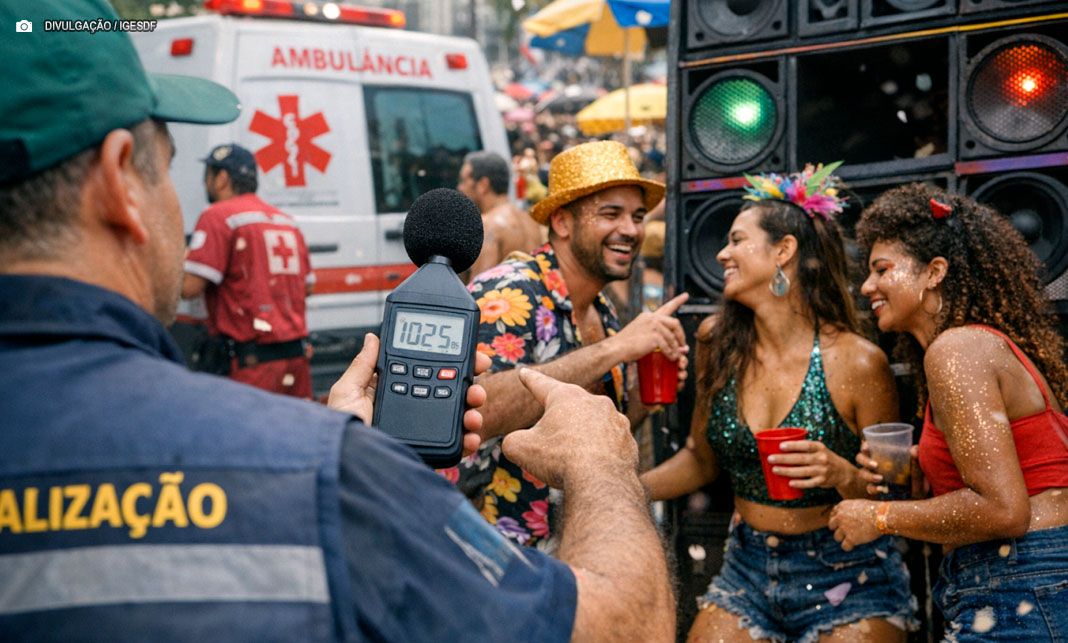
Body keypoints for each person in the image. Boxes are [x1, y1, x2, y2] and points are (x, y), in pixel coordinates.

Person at [0, 2, 676, 640]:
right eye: (170, 170)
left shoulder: (337, 460)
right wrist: (600, 465)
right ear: (121, 180)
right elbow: (626, 624)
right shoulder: (318, 473)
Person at [641, 164, 918, 642]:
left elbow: (895, 499)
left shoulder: (857, 362)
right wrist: (626, 488)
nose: (723, 253)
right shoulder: (717, 341)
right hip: (746, 569)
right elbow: (700, 459)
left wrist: (840, 474)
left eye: (737, 240)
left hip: (850, 573)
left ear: (784, 251)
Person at [830, 183, 1068, 641]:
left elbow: (1003, 511)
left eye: (882, 269)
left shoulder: (956, 350)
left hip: (1022, 578)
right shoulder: (973, 346)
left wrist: (877, 518)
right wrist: (926, 471)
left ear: (934, 271)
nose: (866, 286)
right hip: (1027, 577)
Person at [451, 140, 690, 548]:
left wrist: (644, 402)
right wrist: (614, 351)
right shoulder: (509, 291)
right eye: (610, 214)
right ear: (562, 223)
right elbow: (478, 410)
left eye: (636, 216)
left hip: (571, 546)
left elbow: (594, 430)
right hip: (494, 550)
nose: (631, 230)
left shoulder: (602, 309)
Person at [181, 143, 314, 398]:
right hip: (295, 361)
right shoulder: (286, 222)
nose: (205, 183)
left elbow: (189, 288)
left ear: (221, 178)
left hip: (250, 366)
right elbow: (307, 287)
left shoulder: (217, 216)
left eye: (208, 175)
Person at [456, 150, 545, 282]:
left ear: (483, 185)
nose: (460, 188)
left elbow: (479, 290)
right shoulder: (530, 219)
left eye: (463, 181)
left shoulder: (487, 225)